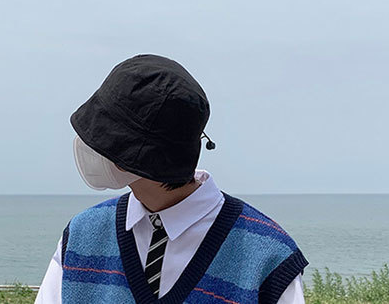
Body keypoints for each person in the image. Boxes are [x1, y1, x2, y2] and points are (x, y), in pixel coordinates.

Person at [37, 54, 308, 302]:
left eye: (105, 139)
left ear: (143, 160)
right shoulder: (81, 237)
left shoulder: (267, 260)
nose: (91, 146)